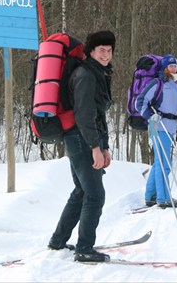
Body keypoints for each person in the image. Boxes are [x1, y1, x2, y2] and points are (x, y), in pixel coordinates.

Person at [47, 30, 115, 263]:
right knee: (95, 195)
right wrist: (95, 146)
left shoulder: (98, 73)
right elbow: (84, 115)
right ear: (91, 51)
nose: (106, 54)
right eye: (101, 50)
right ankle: (85, 248)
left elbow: (98, 115)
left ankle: (58, 241)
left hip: (80, 137)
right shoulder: (85, 75)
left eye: (109, 50)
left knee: (81, 191)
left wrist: (104, 147)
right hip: (80, 138)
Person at [135, 54, 177, 209]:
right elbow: (140, 102)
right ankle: (164, 198)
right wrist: (150, 115)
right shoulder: (157, 83)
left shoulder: (175, 85)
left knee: (159, 162)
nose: (174, 68)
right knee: (164, 164)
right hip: (158, 126)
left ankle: (151, 196)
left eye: (175, 66)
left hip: (171, 127)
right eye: (171, 66)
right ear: (164, 68)